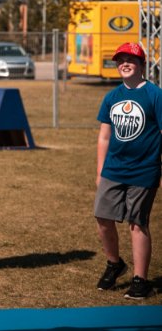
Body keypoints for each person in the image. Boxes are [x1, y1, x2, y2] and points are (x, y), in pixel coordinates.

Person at [94, 42, 161, 300]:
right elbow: (104, 136)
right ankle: (114, 263)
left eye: (131, 59)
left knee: (137, 224)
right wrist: (100, 170)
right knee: (102, 218)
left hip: (144, 170)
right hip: (113, 169)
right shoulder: (112, 97)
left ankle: (140, 280)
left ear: (142, 65)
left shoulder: (155, 95)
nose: (124, 63)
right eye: (120, 59)